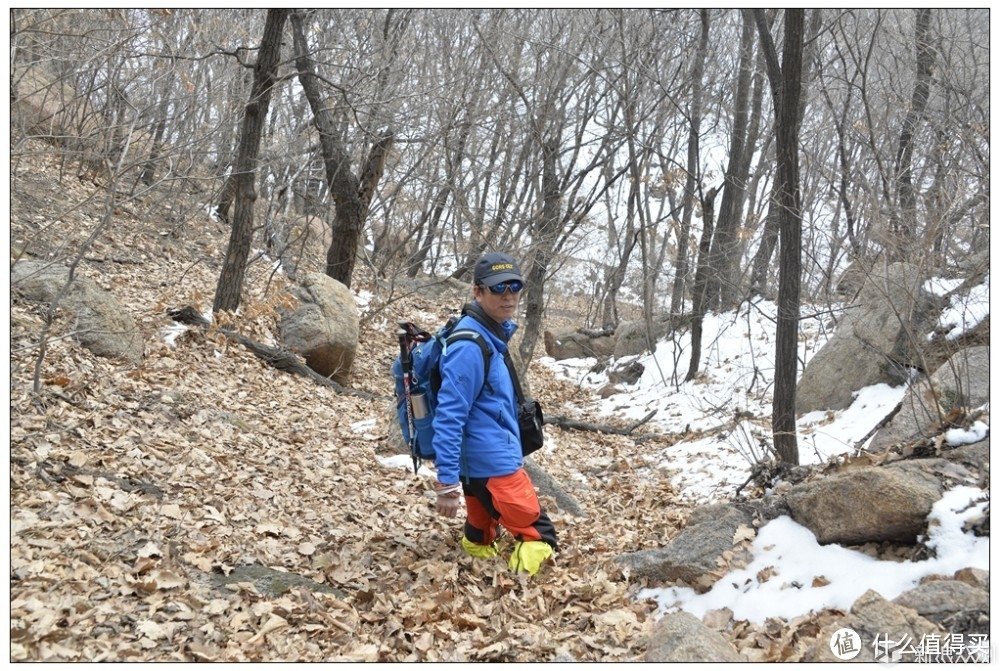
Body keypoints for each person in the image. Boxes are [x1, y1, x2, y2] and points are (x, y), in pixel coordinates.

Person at [431, 251, 557, 575]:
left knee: (481, 532)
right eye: (498, 288)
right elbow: (449, 416)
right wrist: (446, 484)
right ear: (477, 291)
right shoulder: (469, 346)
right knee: (540, 536)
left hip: (480, 465)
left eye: (515, 286)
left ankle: (478, 565)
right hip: (494, 464)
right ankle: (519, 589)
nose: (509, 295)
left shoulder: (488, 333)